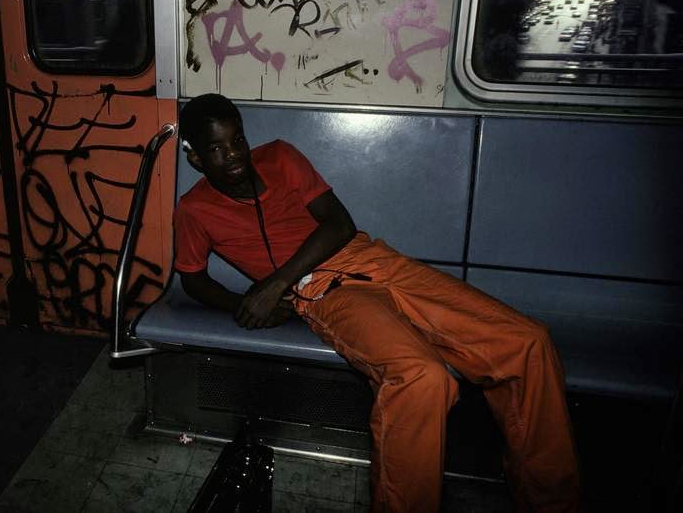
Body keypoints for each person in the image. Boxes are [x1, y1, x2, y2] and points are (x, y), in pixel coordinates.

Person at [172, 93, 580, 513]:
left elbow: (340, 224)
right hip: (324, 291)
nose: (234, 156)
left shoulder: (281, 156)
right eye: (217, 149)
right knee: (421, 377)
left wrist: (274, 284)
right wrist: (244, 303)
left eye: (237, 140)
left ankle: (550, 502)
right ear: (197, 159)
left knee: (527, 342)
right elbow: (193, 279)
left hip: (373, 260)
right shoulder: (195, 209)